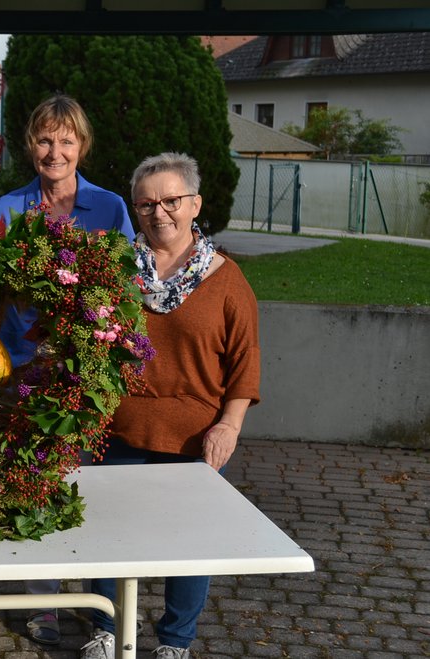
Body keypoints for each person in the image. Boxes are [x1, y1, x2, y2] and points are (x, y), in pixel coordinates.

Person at [80, 152, 260, 659]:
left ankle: (176, 640)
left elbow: (245, 363)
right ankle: (105, 627)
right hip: (118, 427)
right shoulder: (115, 271)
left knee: (189, 542)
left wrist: (229, 425)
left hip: (193, 435)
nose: (159, 212)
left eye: (170, 201)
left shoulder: (227, 280)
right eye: (145, 204)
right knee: (108, 533)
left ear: (195, 204)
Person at [0, 93, 135, 646]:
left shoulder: (111, 207)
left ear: (82, 146)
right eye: (45, 140)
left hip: (83, 375)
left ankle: (101, 607)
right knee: (30, 481)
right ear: (31, 145)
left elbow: (122, 292)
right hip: (19, 372)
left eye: (66, 140)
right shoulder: (9, 208)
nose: (55, 151)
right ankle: (42, 603)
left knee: (88, 486)